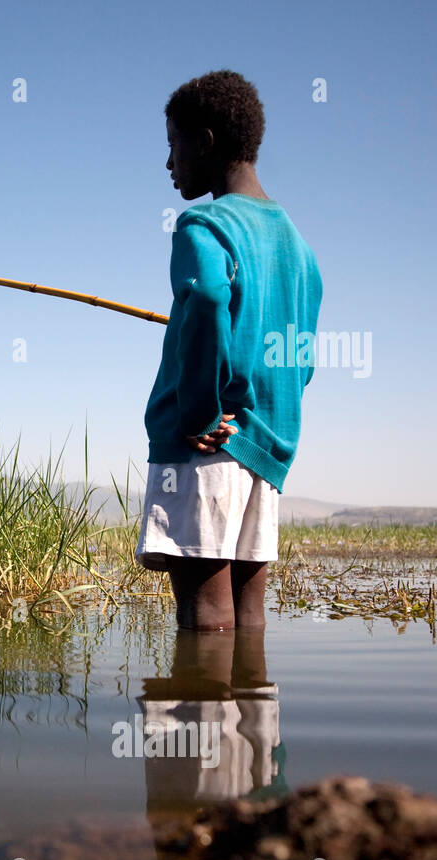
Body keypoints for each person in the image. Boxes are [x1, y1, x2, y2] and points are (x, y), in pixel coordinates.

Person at [137, 70, 323, 630]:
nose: (169, 164)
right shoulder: (298, 244)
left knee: (204, 615)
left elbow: (207, 294)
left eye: (173, 145)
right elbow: (301, 358)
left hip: (207, 442)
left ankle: (200, 711)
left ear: (207, 140)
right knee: (247, 614)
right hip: (266, 445)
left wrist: (199, 408)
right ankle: (251, 711)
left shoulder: (203, 224)